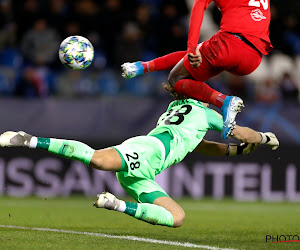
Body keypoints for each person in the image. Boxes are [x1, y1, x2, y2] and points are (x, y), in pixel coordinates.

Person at [0, 88, 279, 228]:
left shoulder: (177, 108)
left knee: (177, 217)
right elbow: (243, 133)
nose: (210, 98)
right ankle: (30, 139)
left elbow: (200, 145)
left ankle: (117, 204)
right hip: (150, 151)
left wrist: (234, 151)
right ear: (200, 96)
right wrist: (265, 138)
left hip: (144, 171)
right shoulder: (205, 113)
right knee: (98, 159)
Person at [121, 0, 272, 139]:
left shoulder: (199, 117)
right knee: (197, 53)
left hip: (231, 44)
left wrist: (191, 46)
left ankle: (224, 101)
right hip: (254, 58)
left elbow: (199, 5)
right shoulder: (210, 118)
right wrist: (265, 139)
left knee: (176, 78)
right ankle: (142, 66)